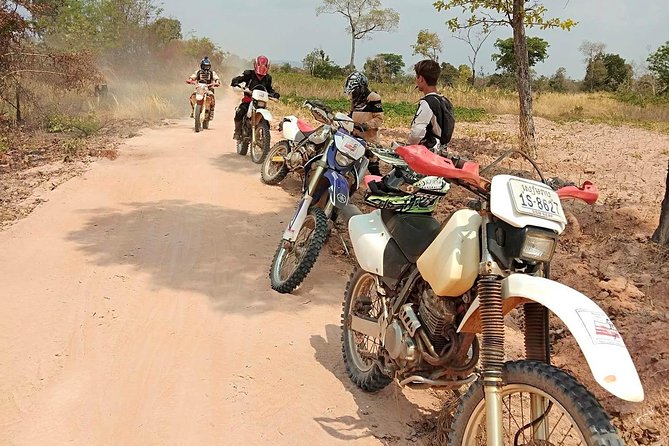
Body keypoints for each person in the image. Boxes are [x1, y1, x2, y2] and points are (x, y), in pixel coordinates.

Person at [408, 60, 455, 154]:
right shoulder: (444, 101)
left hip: (428, 154)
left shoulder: (427, 103)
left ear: (420, 78)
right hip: (441, 151)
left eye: (417, 78)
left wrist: (408, 147)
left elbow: (417, 134)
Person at [230, 55, 280, 140]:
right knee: (240, 112)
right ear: (256, 65)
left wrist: (274, 94)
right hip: (248, 100)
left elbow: (269, 89)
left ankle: (264, 139)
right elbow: (239, 79)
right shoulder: (249, 74)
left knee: (266, 121)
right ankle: (237, 132)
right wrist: (236, 82)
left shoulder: (268, 78)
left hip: (261, 102)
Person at [343, 71, 384, 176]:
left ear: (361, 87)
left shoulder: (373, 98)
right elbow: (352, 114)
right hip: (355, 136)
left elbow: (379, 118)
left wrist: (366, 125)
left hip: (369, 139)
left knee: (373, 165)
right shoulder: (355, 100)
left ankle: (379, 186)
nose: (353, 93)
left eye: (355, 90)